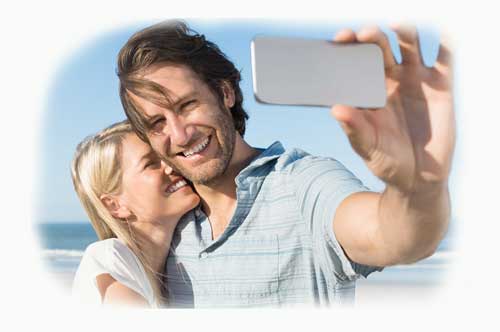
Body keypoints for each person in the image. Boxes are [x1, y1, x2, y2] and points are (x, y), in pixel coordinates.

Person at [116, 20, 454, 307]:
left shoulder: (302, 182)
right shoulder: (170, 221)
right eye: (156, 123)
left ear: (225, 93)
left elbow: (398, 237)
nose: (179, 135)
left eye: (187, 105)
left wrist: (419, 186)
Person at [70, 120, 200, 307]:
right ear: (115, 205)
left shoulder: (168, 275)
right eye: (151, 163)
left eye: (166, 155)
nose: (171, 165)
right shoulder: (110, 259)